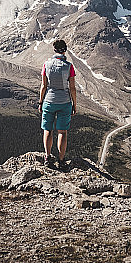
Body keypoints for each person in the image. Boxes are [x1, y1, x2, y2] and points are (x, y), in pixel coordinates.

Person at [39, 39, 77, 170]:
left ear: (54, 50)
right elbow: (72, 88)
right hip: (65, 102)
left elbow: (44, 86)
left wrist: (40, 101)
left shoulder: (46, 64)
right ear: (65, 50)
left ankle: (47, 157)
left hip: (49, 101)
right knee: (62, 132)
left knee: (47, 130)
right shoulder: (69, 66)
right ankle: (61, 160)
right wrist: (74, 104)